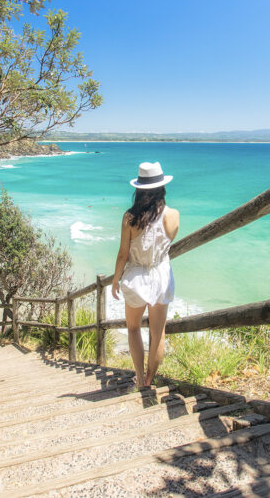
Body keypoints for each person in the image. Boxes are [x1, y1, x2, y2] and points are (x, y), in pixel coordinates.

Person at [111, 162, 180, 388]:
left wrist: (114, 281)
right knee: (158, 333)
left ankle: (140, 378)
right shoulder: (173, 216)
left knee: (133, 329)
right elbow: (166, 244)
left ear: (139, 190)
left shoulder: (130, 218)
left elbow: (123, 254)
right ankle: (151, 379)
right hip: (161, 276)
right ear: (162, 188)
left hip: (136, 278)